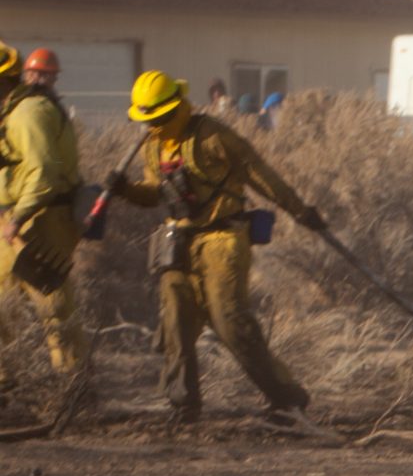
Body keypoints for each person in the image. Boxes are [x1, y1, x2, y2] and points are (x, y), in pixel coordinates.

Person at [108, 71, 327, 424]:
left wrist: (300, 210)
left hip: (223, 238)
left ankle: (287, 399)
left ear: (175, 108)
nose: (152, 126)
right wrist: (126, 190)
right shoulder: (153, 145)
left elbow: (260, 174)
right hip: (178, 239)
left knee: (229, 321)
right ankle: (183, 405)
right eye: (147, 120)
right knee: (176, 320)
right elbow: (154, 191)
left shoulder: (212, 136)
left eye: (158, 119)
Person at [0, 47, 90, 416]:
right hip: (20, 222)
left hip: (39, 223)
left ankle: (74, 391)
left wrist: (18, 218)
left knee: (53, 305)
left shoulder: (28, 113)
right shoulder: (16, 113)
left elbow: (42, 171)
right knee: (5, 307)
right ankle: (6, 388)